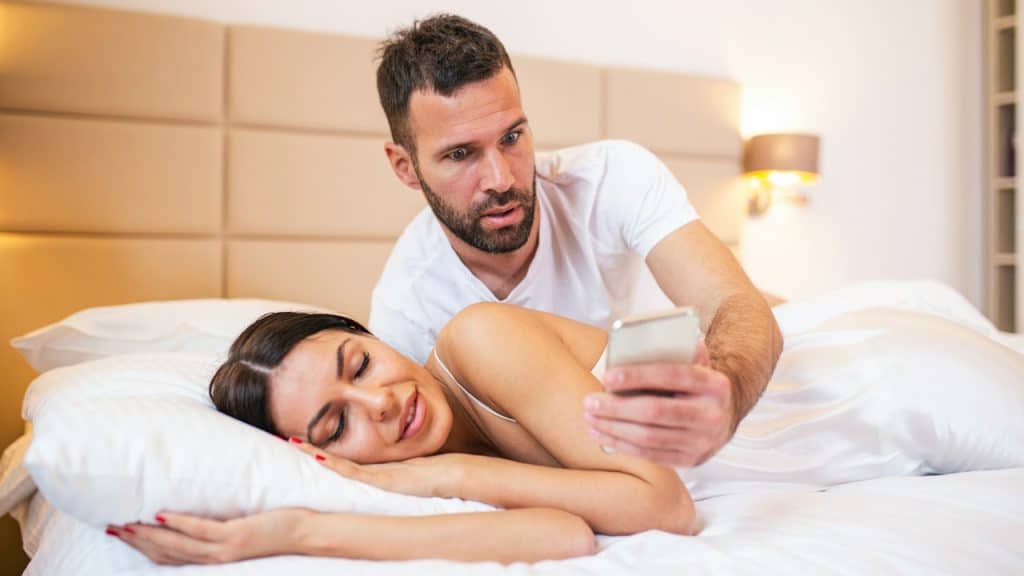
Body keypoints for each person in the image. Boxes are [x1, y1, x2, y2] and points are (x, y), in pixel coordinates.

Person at [369, 14, 783, 467]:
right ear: (404, 167)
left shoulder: (611, 178)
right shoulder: (406, 308)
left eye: (512, 137)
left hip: (707, 363)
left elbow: (731, 301)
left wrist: (725, 398)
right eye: (460, 154)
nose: (501, 178)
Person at [109, 304, 696, 564]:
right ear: (311, 452)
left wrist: (448, 471)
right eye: (337, 424)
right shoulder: (391, 476)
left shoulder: (480, 337)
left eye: (360, 364)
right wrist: (302, 531)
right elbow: (564, 536)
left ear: (370, 334)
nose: (381, 404)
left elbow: (666, 507)